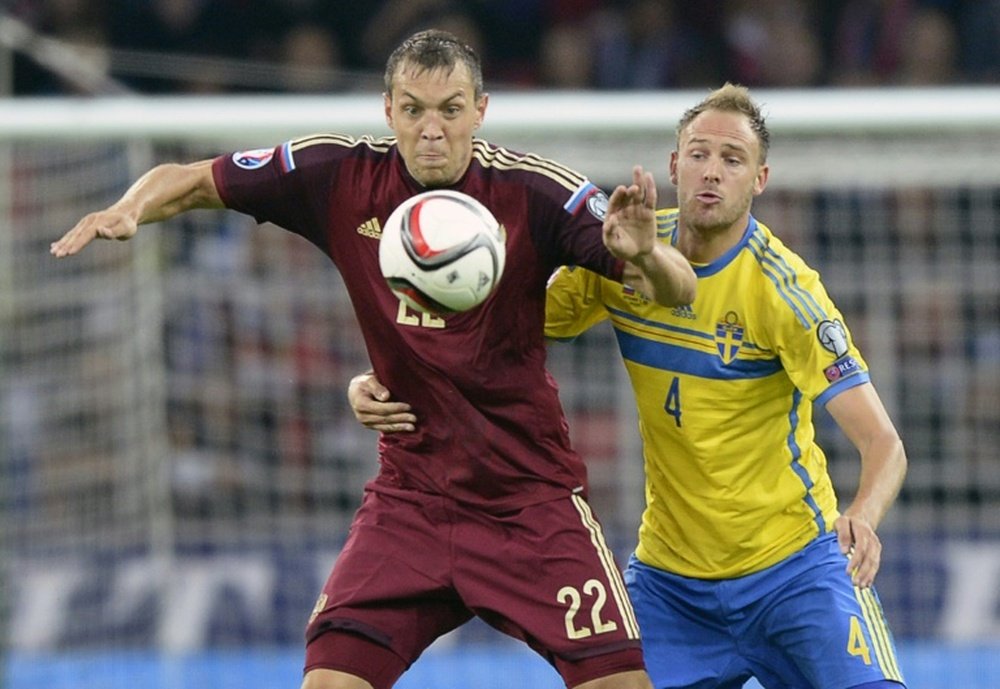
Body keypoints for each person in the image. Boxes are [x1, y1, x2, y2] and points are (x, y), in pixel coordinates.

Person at [51, 29, 697, 689]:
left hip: (528, 502)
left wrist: (646, 254)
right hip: (411, 500)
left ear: (480, 110)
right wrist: (129, 209)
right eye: (413, 109)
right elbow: (190, 182)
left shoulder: (535, 191)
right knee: (328, 681)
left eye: (450, 109)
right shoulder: (340, 174)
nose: (432, 129)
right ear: (389, 111)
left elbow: (678, 289)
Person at [348, 83, 908, 689]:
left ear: (760, 179)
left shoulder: (784, 292)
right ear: (673, 165)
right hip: (672, 585)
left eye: (732, 159)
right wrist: (378, 377)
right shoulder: (627, 255)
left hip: (794, 574)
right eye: (698, 154)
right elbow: (483, 331)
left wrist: (864, 513)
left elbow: (883, 442)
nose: (711, 172)